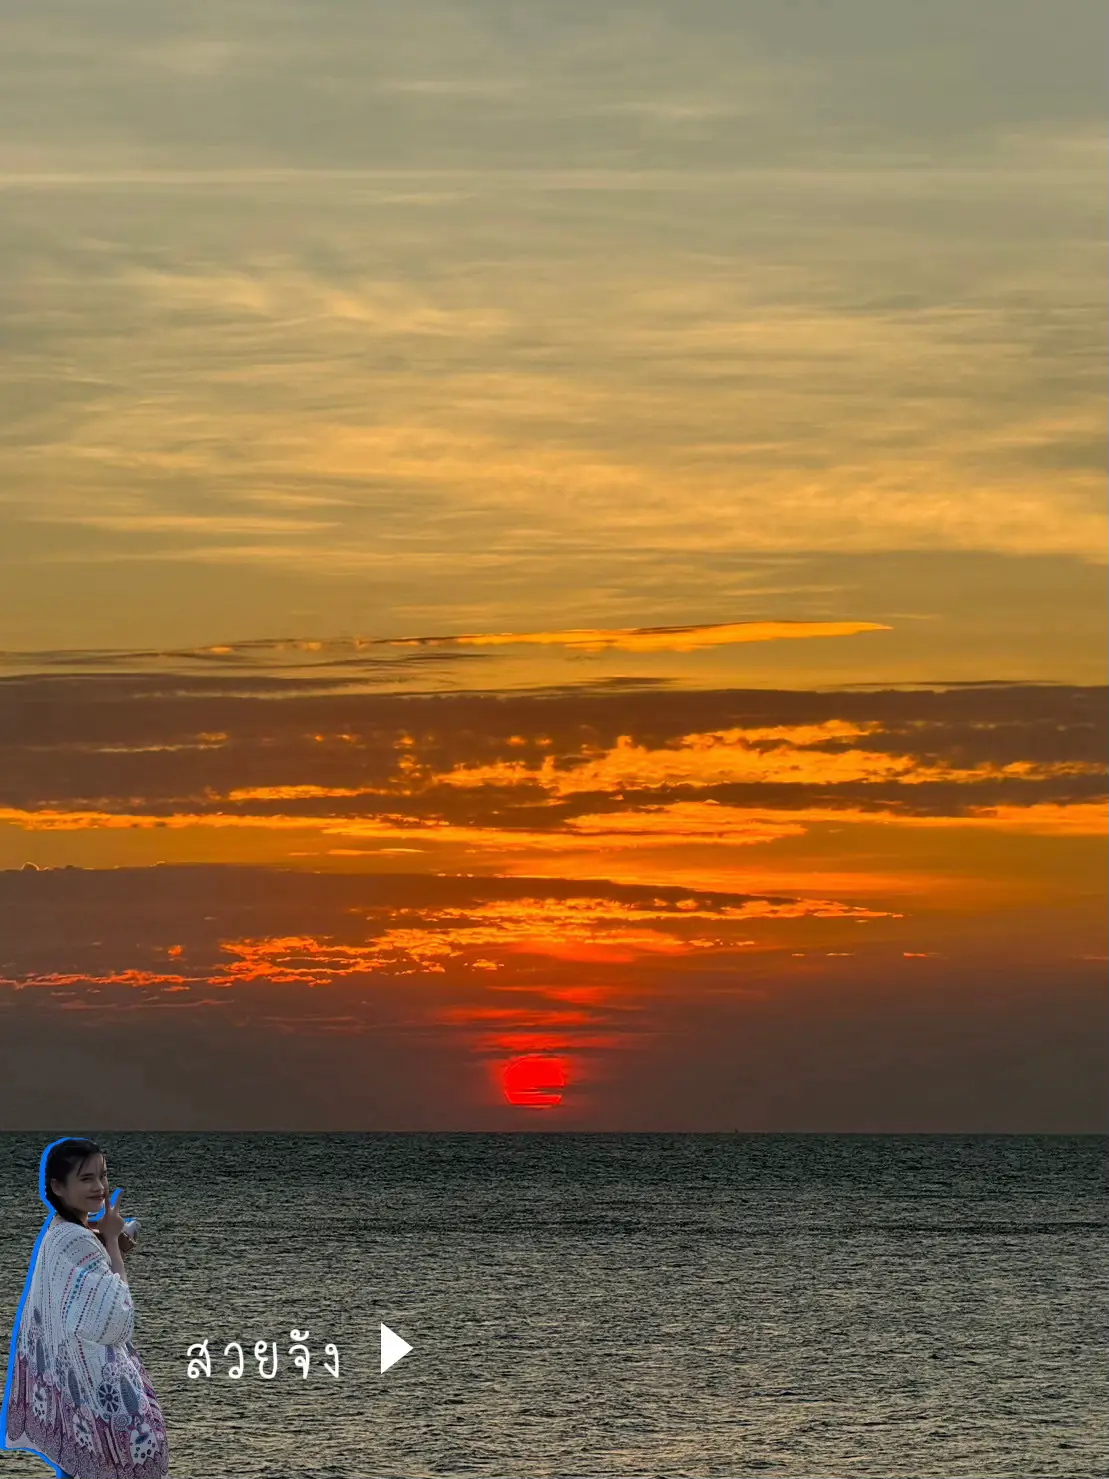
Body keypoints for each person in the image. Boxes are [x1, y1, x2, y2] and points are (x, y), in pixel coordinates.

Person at [2, 1138, 169, 1479]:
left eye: (103, 1176)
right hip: (98, 1399)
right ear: (57, 1187)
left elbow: (84, 1290)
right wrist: (110, 1242)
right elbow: (116, 1318)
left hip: (76, 1400)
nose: (100, 1187)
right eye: (86, 1178)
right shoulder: (77, 1240)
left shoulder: (60, 1232)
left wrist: (108, 1242)